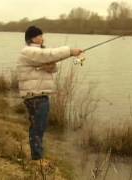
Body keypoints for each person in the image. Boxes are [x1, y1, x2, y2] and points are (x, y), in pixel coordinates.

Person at [17, 26, 82, 160]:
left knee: (37, 127)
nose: (42, 38)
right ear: (33, 38)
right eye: (40, 36)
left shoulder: (36, 53)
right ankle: (37, 160)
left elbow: (51, 66)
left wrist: (51, 66)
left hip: (38, 95)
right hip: (36, 96)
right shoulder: (29, 51)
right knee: (38, 129)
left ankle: (37, 157)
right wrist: (70, 51)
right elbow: (49, 54)